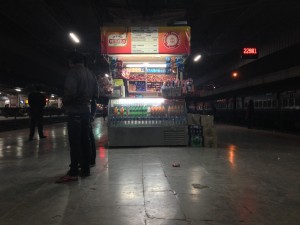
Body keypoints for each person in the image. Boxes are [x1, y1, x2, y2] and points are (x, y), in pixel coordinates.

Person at [56, 51, 99, 183]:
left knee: (75, 143)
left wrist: (65, 102)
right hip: (86, 111)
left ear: (71, 61)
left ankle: (73, 172)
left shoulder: (73, 72)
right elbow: (96, 93)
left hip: (75, 111)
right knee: (85, 140)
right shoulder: (90, 73)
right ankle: (85, 169)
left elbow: (70, 92)